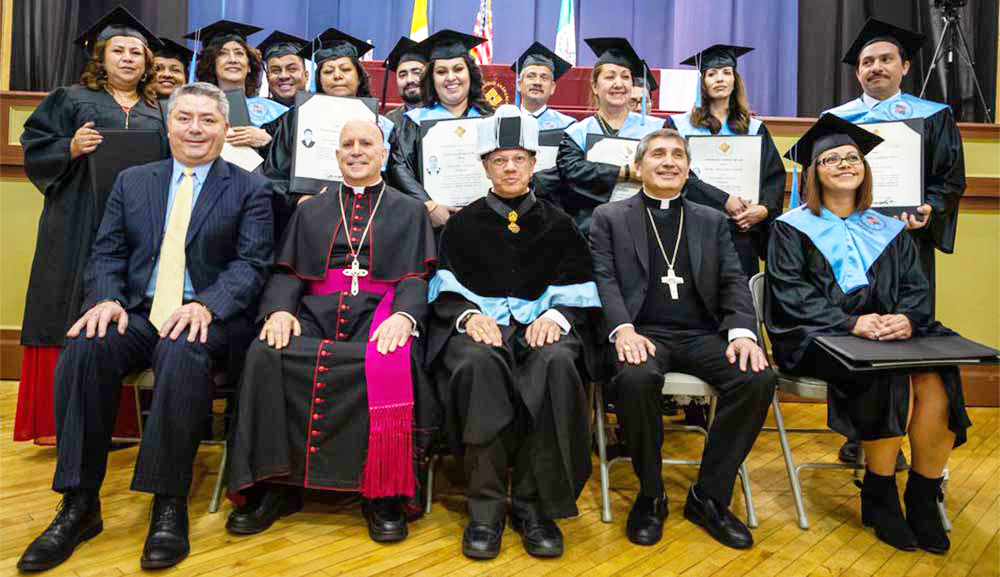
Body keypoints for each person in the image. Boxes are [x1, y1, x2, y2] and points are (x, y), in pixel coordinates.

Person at [16, 82, 274, 572]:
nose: (195, 128)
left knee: (182, 350)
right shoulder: (134, 181)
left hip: (208, 319)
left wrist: (209, 306)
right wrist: (107, 299)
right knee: (87, 346)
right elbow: (107, 252)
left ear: (224, 128)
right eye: (185, 118)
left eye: (207, 120)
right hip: (138, 311)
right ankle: (78, 503)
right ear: (169, 125)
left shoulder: (250, 188)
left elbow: (252, 264)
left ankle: (168, 501)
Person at [766, 113, 969, 555]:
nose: (843, 164)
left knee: (936, 373)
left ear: (865, 168)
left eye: (852, 157)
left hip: (886, 335)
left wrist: (907, 320)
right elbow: (789, 297)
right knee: (888, 372)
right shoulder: (789, 228)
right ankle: (879, 492)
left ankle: (921, 492)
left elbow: (916, 287)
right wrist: (851, 322)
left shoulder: (888, 228)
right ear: (814, 172)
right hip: (817, 338)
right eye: (831, 159)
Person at [226, 118, 435, 543]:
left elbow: (416, 277)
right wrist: (278, 312)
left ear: (384, 153)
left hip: (381, 311)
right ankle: (276, 485)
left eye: (366, 144)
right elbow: (287, 273)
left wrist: (405, 317)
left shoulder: (410, 210)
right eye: (347, 145)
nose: (356, 151)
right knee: (267, 352)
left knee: (390, 359)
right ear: (336, 155)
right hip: (315, 311)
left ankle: (383, 493)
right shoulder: (311, 209)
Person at [428, 105, 602, 560]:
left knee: (559, 361)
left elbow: (580, 287)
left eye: (518, 159)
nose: (509, 168)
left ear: (533, 163)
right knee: (474, 362)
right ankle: (484, 510)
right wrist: (468, 317)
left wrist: (557, 317)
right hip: (484, 330)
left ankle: (533, 507)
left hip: (543, 327)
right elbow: (444, 288)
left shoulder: (559, 223)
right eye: (499, 160)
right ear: (485, 165)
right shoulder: (462, 225)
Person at [590, 128, 775, 550]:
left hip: (701, 335)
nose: (669, 161)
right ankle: (651, 495)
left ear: (689, 168)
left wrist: (743, 334)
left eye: (678, 154)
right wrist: (623, 330)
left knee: (756, 378)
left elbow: (733, 280)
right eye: (657, 154)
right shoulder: (610, 218)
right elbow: (603, 280)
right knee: (635, 379)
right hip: (643, 333)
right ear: (639, 167)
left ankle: (708, 496)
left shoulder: (711, 220)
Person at [14, 6, 167, 447]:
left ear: (147, 62)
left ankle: (122, 424)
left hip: (138, 226)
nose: (128, 59)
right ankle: (60, 421)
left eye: (136, 53)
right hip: (77, 219)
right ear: (101, 58)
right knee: (65, 303)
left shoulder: (161, 109)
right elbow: (34, 148)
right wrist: (70, 146)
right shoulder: (70, 98)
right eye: (118, 51)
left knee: (126, 302)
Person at [825, 18, 966, 466]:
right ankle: (858, 436)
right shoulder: (837, 121)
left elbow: (949, 181)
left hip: (907, 246)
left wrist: (929, 210)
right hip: (853, 246)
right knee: (854, 331)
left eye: (886, 59)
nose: (875, 68)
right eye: (867, 62)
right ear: (857, 72)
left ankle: (905, 432)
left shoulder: (933, 116)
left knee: (906, 331)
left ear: (904, 66)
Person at [262, 28, 394, 236]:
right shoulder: (297, 117)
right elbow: (273, 174)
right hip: (310, 221)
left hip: (369, 219)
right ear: (318, 79)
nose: (337, 76)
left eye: (345, 69)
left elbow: (393, 179)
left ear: (359, 76)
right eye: (328, 71)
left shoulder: (382, 125)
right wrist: (298, 199)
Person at [672, 45, 785, 278]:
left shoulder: (755, 129)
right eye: (711, 74)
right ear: (702, 83)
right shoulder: (679, 127)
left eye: (726, 72)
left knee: (740, 296)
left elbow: (773, 176)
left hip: (742, 231)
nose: (720, 79)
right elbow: (679, 176)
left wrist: (763, 209)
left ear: (735, 79)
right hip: (694, 228)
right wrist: (725, 200)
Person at [556, 38, 665, 233]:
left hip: (647, 225)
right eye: (610, 77)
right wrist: (624, 173)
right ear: (595, 87)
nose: (618, 83)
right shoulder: (577, 133)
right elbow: (572, 174)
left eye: (625, 77)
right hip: (592, 227)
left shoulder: (657, 130)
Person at [388, 29, 493, 229]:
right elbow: (399, 169)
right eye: (442, 71)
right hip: (430, 225)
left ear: (469, 73)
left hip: (484, 223)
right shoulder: (414, 122)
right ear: (432, 79)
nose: (451, 77)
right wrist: (429, 205)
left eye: (458, 69)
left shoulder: (489, 120)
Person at [187, 20, 287, 148]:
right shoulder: (197, 109)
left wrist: (269, 142)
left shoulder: (276, 112)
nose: (233, 60)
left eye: (239, 53)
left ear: (249, 65)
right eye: (223, 53)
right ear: (212, 64)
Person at [511, 42, 576, 203]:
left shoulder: (569, 126)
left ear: (552, 87)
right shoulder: (501, 121)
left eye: (544, 77)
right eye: (531, 76)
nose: (537, 82)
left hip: (552, 203)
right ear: (519, 84)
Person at [257, 30, 309, 108]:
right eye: (276, 70)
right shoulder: (257, 113)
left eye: (292, 69)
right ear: (267, 77)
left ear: (306, 75)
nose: (283, 76)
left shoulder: (322, 110)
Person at [383, 36, 427, 126]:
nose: (409, 80)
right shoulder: (390, 122)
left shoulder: (445, 117)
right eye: (403, 75)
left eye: (417, 73)